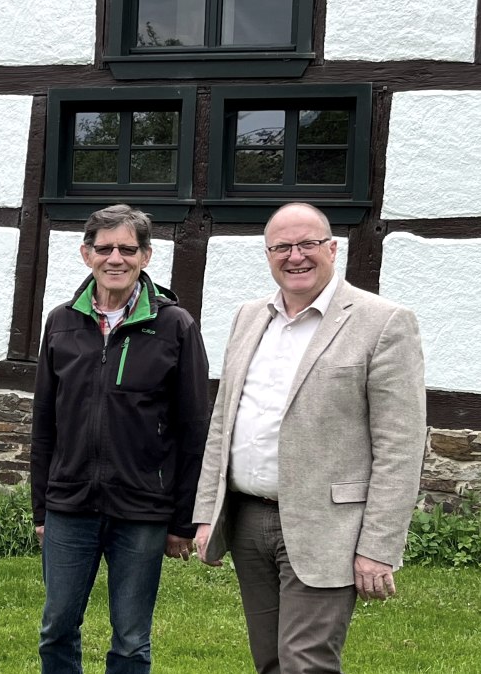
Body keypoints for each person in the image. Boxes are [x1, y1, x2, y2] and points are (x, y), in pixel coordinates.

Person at [192, 202, 426, 674]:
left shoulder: (383, 322)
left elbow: (400, 447)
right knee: (271, 661)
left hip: (328, 527)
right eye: (282, 247)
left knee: (306, 663)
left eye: (307, 244)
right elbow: (224, 421)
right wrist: (205, 513)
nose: (295, 256)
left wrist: (377, 547)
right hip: (248, 520)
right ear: (268, 254)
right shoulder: (249, 316)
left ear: (332, 249)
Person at [32, 204, 211, 674]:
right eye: (104, 248)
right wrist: (41, 509)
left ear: (146, 257)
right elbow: (44, 423)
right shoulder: (62, 321)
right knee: (56, 630)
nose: (116, 258)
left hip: (142, 511)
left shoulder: (175, 326)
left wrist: (182, 521)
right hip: (69, 507)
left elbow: (195, 430)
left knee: (131, 640)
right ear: (85, 254)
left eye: (128, 249)